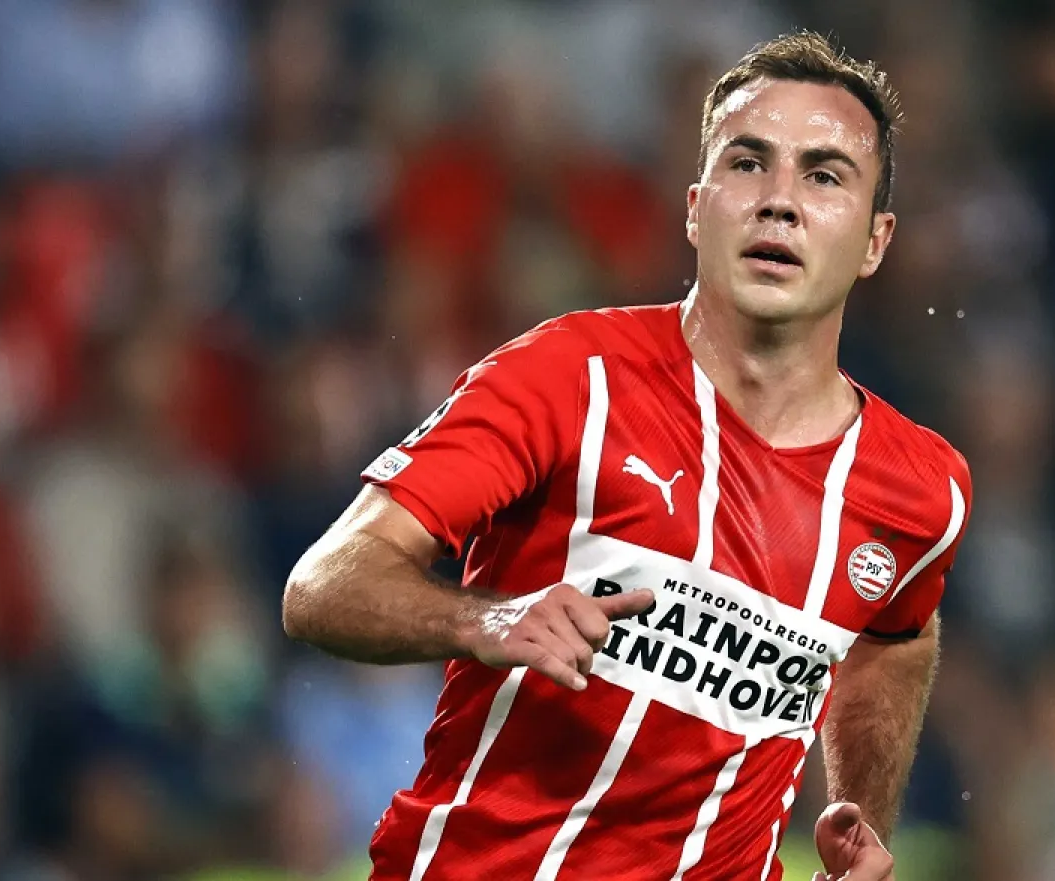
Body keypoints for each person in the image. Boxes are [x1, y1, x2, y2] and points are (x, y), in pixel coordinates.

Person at [283, 30, 972, 881]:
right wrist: (485, 619)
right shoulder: (569, 377)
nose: (779, 202)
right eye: (748, 164)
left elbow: (896, 636)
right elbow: (321, 586)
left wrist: (858, 819)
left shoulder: (919, 490)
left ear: (875, 241)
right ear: (694, 207)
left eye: (824, 175)